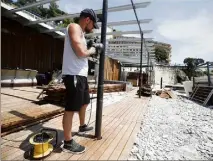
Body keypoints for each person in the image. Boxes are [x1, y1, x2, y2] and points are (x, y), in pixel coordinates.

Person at [61, 8, 102, 154]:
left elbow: (82, 53)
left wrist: (90, 47)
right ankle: (67, 142)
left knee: (84, 102)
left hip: (81, 75)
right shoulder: (74, 27)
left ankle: (82, 125)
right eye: (93, 25)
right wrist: (94, 49)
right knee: (71, 108)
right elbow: (81, 53)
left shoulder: (82, 34)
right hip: (73, 75)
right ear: (88, 20)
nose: (93, 28)